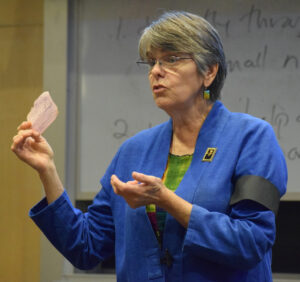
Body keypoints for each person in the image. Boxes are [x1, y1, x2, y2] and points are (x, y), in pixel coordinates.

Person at [11, 11, 287, 282]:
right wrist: (47, 170)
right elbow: (86, 247)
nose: (156, 71)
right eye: (152, 62)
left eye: (171, 59)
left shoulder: (251, 138)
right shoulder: (133, 151)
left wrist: (167, 200)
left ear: (209, 72)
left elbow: (251, 241)